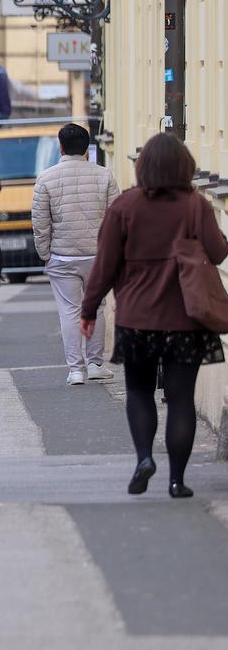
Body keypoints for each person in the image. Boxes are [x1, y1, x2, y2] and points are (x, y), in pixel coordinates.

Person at [81, 133, 228, 499]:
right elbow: (219, 252)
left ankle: (144, 458)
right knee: (180, 399)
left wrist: (89, 309)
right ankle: (177, 480)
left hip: (137, 317)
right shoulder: (196, 205)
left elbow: (104, 264)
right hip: (185, 319)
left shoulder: (125, 207)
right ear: (185, 166)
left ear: (142, 165)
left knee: (140, 391)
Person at [32, 123, 120, 386]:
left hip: (62, 255)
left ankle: (76, 370)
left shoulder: (46, 178)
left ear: (60, 147)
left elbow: (40, 222)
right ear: (86, 148)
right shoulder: (104, 175)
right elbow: (117, 217)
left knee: (69, 311)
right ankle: (95, 364)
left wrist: (44, 253)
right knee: (98, 307)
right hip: (98, 256)